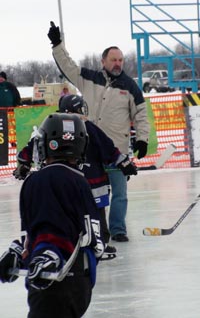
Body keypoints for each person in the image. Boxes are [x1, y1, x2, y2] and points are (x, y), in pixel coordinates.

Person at [47, 22, 150, 242]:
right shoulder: (88, 78)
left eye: (121, 60)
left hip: (116, 150)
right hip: (90, 151)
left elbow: (140, 114)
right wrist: (57, 45)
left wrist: (142, 139)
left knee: (119, 194)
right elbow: (68, 66)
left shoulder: (130, 86)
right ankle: (90, 229)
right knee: (91, 193)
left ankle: (117, 229)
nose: (118, 63)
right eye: (113, 59)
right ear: (103, 61)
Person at [0, 112, 104, 318]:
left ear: (47, 144)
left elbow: (50, 231)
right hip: (79, 285)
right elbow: (83, 237)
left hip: (53, 283)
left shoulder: (41, 180)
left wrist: (47, 253)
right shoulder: (80, 181)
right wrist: (18, 252)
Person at [13, 94, 138, 259]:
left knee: (65, 211)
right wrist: (123, 163)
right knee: (94, 215)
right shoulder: (86, 126)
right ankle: (98, 243)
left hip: (65, 183)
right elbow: (107, 147)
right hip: (90, 184)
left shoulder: (52, 124)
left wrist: (24, 163)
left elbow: (34, 145)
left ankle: (65, 242)